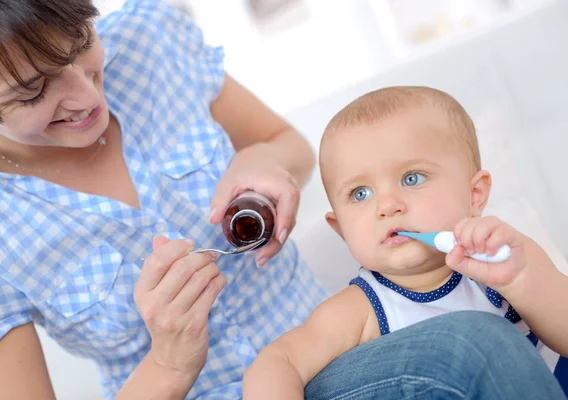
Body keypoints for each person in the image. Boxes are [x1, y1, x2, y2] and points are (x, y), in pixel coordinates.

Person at [0, 0, 328, 399]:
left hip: (336, 352)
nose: (86, 95)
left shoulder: (152, 41)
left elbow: (290, 146)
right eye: (33, 91)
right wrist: (168, 365)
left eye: (81, 43)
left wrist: (262, 158)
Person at [243, 86, 568, 399]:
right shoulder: (362, 309)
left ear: (475, 194)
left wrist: (522, 279)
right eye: (360, 194)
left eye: (412, 178)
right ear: (341, 229)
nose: (387, 206)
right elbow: (278, 362)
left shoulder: (499, 260)